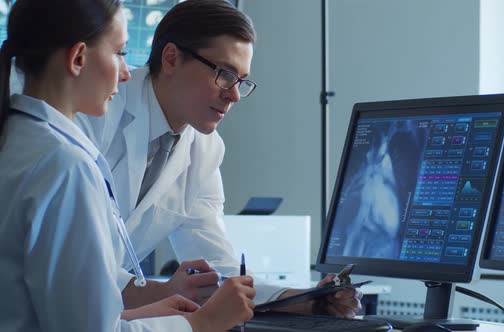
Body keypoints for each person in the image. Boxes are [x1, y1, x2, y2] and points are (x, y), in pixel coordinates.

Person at [75, 0, 362, 318]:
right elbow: (69, 253)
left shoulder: (205, 149)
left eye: (241, 80)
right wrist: (164, 292)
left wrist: (307, 300)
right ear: (171, 59)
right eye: (225, 74)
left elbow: (217, 271)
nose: (234, 94)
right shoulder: (95, 109)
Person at [0, 0, 255, 331]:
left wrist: (139, 311)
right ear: (78, 58)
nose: (126, 73)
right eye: (120, 53)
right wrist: (201, 324)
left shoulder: (19, 139)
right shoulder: (66, 165)